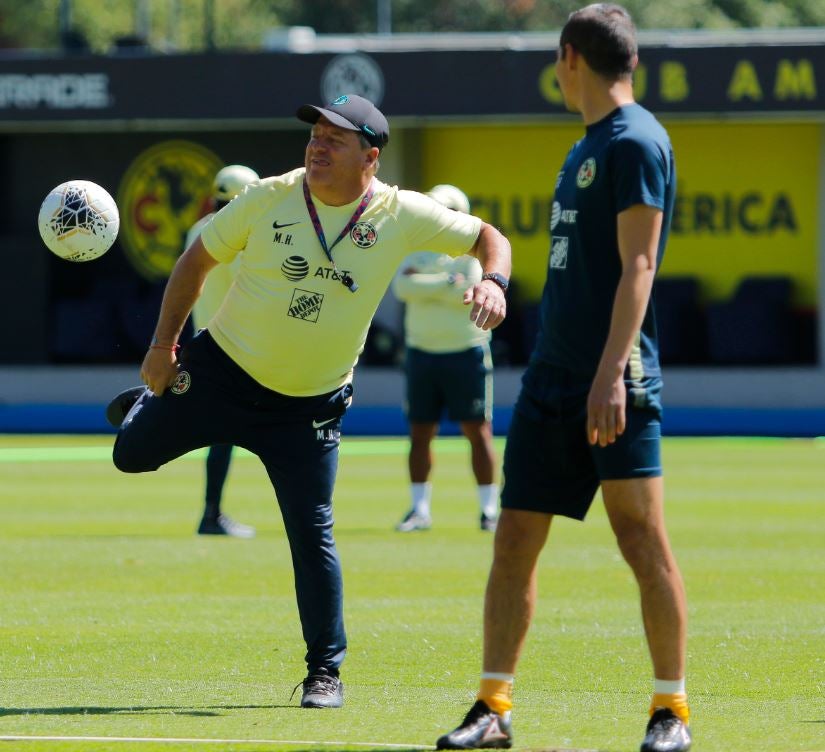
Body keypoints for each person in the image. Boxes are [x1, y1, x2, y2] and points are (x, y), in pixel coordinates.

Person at [108, 93, 511, 709]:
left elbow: (490, 238)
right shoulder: (268, 197)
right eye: (315, 135)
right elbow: (196, 259)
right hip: (222, 374)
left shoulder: (399, 212)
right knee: (128, 459)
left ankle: (325, 672)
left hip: (309, 406)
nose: (317, 146)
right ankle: (150, 402)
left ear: (370, 159)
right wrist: (163, 346)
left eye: (335, 140)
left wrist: (493, 280)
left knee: (312, 534)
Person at [437, 6, 690, 752]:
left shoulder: (637, 139)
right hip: (551, 377)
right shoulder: (587, 144)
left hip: (612, 379)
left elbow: (639, 266)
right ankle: (492, 709)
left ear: (569, 57)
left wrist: (611, 373)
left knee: (641, 538)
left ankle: (669, 713)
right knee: (513, 538)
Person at [392, 184, 498, 533]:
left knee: (477, 431)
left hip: (465, 352)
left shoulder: (472, 252)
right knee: (420, 432)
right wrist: (442, 282)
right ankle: (419, 510)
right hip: (422, 353)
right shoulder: (416, 247)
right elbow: (402, 288)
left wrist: (426, 283)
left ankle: (489, 510)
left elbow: (462, 291)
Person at [188, 164, 260, 539]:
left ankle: (212, 512)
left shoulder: (196, 231)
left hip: (203, 340)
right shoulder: (240, 236)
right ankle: (211, 513)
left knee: (223, 431)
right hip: (234, 344)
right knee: (225, 433)